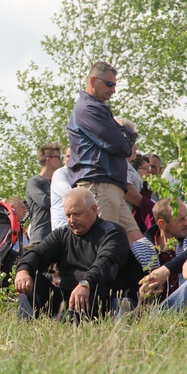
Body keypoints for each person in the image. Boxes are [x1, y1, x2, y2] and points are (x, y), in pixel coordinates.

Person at [14, 187, 136, 320]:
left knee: (69, 319)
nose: (72, 220)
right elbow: (38, 253)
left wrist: (86, 283)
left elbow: (104, 263)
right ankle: (26, 326)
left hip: (98, 299)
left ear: (94, 210)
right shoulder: (62, 234)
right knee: (32, 282)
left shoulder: (113, 233)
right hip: (66, 297)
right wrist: (23, 271)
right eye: (68, 215)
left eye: (77, 214)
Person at [67, 61, 142, 245]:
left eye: (115, 84)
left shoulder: (97, 108)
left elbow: (125, 142)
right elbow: (121, 146)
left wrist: (127, 137)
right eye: (110, 84)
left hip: (110, 187)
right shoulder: (87, 109)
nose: (113, 90)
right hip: (98, 185)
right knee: (104, 246)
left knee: (138, 243)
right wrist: (127, 137)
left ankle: (154, 273)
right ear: (93, 80)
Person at [132, 199, 187, 308]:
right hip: (153, 308)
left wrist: (166, 270)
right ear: (162, 224)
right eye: (181, 219)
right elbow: (130, 286)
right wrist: (143, 293)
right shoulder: (141, 248)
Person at [26, 142, 63, 245]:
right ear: (48, 159)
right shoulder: (34, 182)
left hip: (58, 237)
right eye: (58, 157)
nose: (61, 161)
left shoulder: (59, 183)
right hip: (40, 237)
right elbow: (44, 202)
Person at [50, 148, 73, 231]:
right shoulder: (60, 173)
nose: (70, 159)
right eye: (67, 156)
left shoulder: (80, 174)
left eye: (73, 156)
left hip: (76, 226)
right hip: (62, 227)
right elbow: (71, 195)